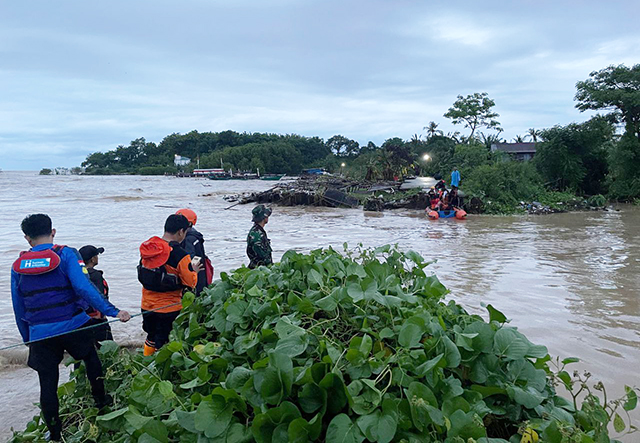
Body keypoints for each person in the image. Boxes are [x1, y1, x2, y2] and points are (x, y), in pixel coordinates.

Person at [11, 214, 131, 441]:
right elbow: (84, 288)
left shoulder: (18, 265)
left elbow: (18, 307)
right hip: (73, 326)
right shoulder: (65, 253)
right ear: (53, 232)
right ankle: (101, 404)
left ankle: (54, 434)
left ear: (27, 238)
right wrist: (114, 311)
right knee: (91, 358)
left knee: (47, 383)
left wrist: (28, 338)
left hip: (39, 333)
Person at [138, 214, 201, 356]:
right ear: (181, 231)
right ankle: (160, 369)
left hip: (146, 305)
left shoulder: (148, 249)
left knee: (151, 336)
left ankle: (146, 361)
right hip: (168, 308)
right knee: (165, 342)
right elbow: (190, 283)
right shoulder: (180, 255)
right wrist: (194, 270)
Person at [78, 245, 113, 345]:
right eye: (97, 255)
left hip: (80, 321)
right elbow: (99, 298)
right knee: (107, 350)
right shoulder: (96, 276)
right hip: (97, 322)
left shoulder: (76, 275)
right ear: (93, 259)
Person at [175, 208, 213, 294]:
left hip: (195, 278)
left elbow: (191, 258)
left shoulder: (189, 239)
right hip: (201, 276)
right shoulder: (195, 236)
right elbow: (197, 256)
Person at [246, 205, 273, 269]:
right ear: (264, 218)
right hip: (259, 269)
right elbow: (262, 256)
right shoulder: (257, 234)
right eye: (267, 216)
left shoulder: (257, 231)